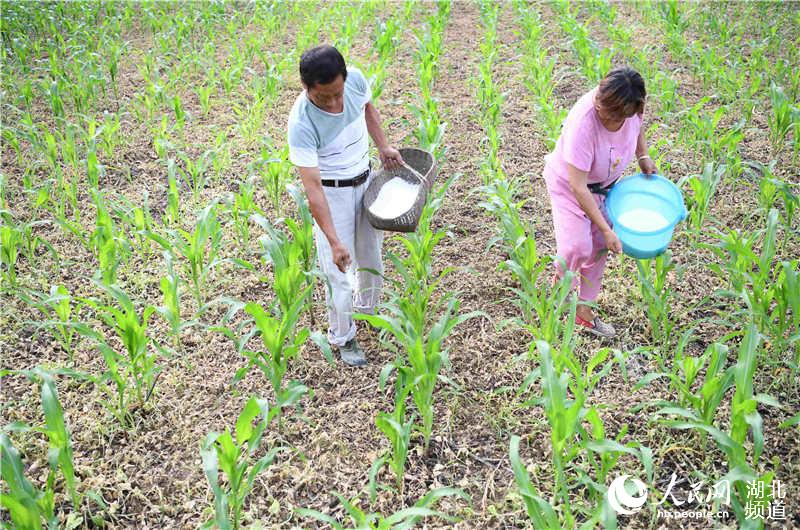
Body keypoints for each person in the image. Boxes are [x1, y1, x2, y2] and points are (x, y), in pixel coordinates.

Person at [287, 45, 403, 366]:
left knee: (371, 258)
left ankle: (366, 314)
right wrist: (334, 241)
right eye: (325, 97)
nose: (336, 103)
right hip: (332, 193)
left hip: (365, 180)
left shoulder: (354, 81)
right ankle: (343, 335)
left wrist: (384, 146)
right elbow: (312, 190)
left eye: (338, 93)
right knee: (338, 271)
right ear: (307, 88)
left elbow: (368, 109)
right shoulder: (301, 124)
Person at [543, 66, 658, 339]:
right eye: (600, 103)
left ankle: (584, 312)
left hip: (605, 188)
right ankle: (558, 299)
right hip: (570, 187)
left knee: (597, 250)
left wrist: (643, 156)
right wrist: (607, 229)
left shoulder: (632, 108)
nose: (600, 110)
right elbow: (578, 187)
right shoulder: (583, 122)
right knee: (577, 247)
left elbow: (638, 127)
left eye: (610, 112)